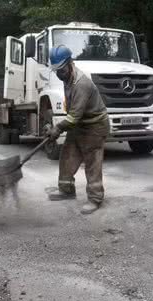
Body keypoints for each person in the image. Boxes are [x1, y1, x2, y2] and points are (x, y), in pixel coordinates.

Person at [45, 45, 110, 215]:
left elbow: (73, 117)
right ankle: (66, 190)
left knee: (92, 161)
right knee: (67, 154)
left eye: (61, 70)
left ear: (70, 63)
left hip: (94, 126)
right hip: (80, 124)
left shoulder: (82, 84)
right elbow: (74, 116)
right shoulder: (67, 78)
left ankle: (95, 198)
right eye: (56, 71)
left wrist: (57, 128)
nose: (59, 74)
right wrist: (55, 129)